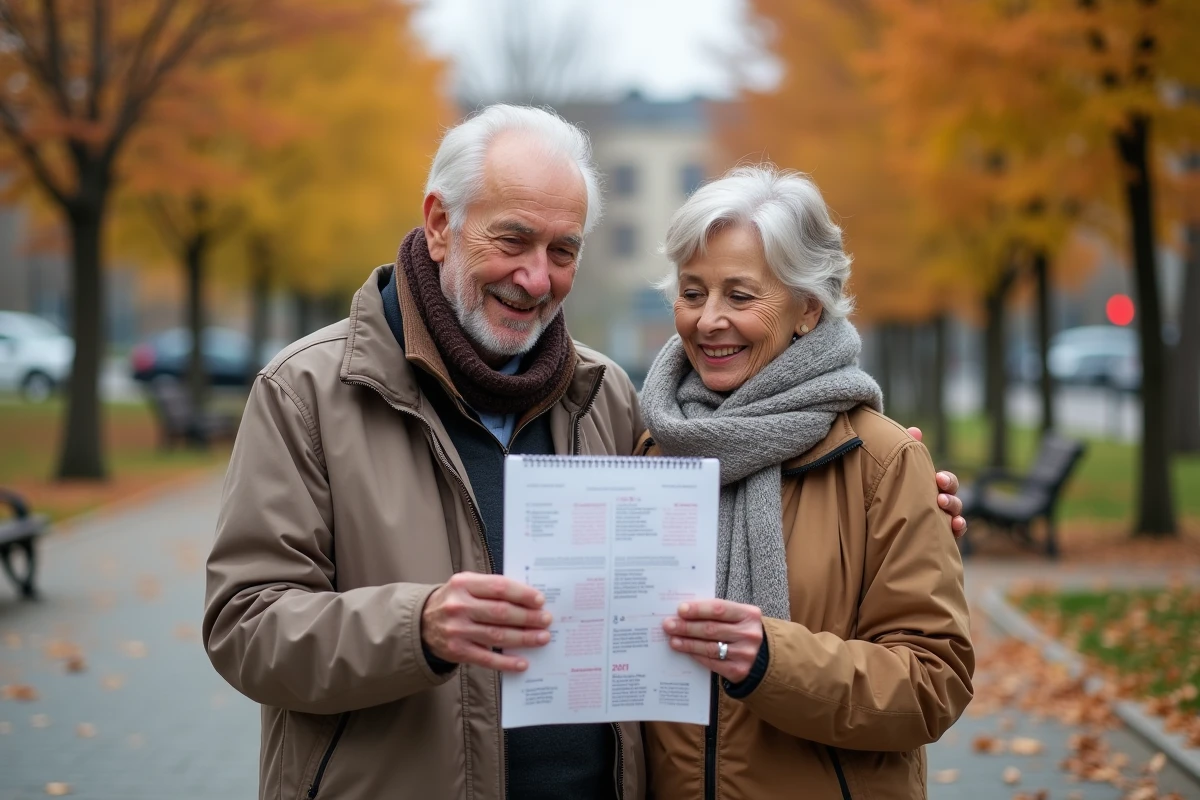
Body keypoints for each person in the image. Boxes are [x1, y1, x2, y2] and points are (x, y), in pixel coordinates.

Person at [202, 106, 965, 800]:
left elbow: (921, 659)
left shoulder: (610, 403)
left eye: (562, 249)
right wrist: (418, 626)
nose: (536, 277)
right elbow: (245, 624)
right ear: (439, 224)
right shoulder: (309, 391)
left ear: (808, 309)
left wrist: (904, 504)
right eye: (511, 239)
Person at [638, 165, 974, 799]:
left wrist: (771, 660)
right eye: (692, 292)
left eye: (740, 296)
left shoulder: (881, 460)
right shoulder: (652, 449)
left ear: (807, 308)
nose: (709, 320)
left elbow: (935, 681)